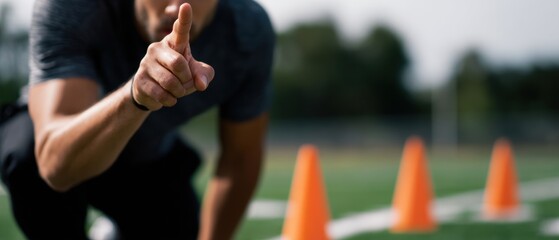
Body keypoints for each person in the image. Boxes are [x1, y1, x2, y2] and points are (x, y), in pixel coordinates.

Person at [0, 0, 275, 239]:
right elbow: (54, 166)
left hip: (148, 157)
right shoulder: (76, 6)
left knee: (178, 225)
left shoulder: (247, 31)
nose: (174, 8)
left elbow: (239, 158)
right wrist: (135, 95)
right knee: (28, 164)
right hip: (70, 148)